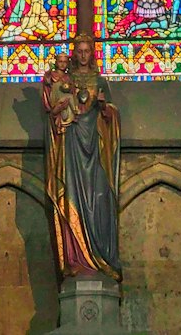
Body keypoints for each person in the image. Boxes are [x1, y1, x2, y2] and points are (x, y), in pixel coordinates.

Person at [42, 32, 121, 282]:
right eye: (79, 51)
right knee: (71, 198)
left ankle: (101, 259)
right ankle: (75, 260)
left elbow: (112, 115)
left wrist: (104, 107)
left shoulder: (100, 80)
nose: (83, 55)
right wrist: (57, 110)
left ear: (92, 53)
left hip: (95, 147)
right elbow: (54, 110)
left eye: (87, 50)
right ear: (74, 54)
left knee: (99, 199)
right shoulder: (64, 78)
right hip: (72, 143)